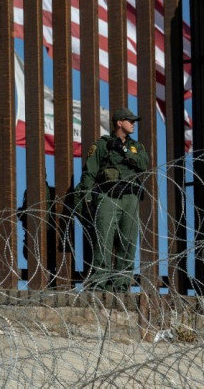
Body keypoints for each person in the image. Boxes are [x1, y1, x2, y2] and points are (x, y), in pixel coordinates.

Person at [76, 107, 150, 292]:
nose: (133, 124)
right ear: (119, 122)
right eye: (130, 120)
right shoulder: (101, 145)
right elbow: (89, 173)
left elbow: (143, 164)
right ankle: (99, 283)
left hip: (130, 197)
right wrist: (86, 198)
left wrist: (125, 151)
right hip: (108, 196)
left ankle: (122, 285)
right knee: (104, 240)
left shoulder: (136, 147)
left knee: (129, 242)